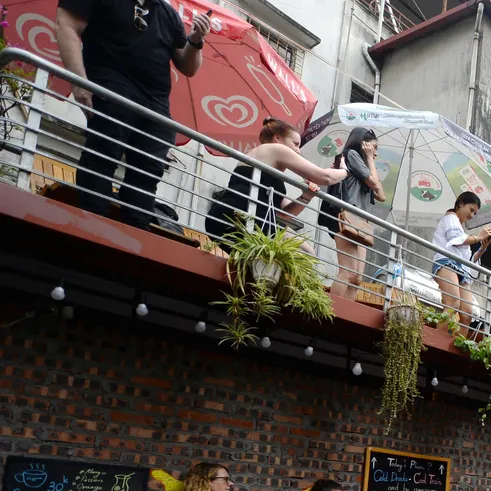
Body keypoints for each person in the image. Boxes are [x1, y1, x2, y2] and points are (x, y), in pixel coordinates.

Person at [54, 1, 209, 229]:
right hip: (111, 88)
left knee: (146, 176)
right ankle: (91, 228)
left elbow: (188, 67)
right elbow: (66, 24)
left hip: (155, 107)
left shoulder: (168, 15)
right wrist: (79, 83)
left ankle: (135, 236)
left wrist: (195, 41)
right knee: (102, 158)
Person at [205, 119, 347, 252]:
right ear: (277, 139)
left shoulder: (262, 160)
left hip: (230, 217)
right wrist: (345, 171)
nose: (298, 150)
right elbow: (325, 177)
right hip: (244, 217)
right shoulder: (275, 149)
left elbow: (284, 213)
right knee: (305, 251)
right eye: (295, 144)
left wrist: (306, 197)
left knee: (300, 252)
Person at [321, 127, 386, 301]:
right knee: (347, 272)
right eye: (374, 147)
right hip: (346, 217)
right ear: (363, 144)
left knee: (356, 278)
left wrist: (371, 162)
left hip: (360, 223)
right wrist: (371, 160)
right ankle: (332, 312)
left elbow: (381, 195)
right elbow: (373, 183)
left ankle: (345, 311)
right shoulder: (351, 155)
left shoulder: (364, 166)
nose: (375, 152)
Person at [432, 192, 491, 328]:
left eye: (475, 213)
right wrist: (478, 237)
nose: (472, 215)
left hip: (461, 269)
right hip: (446, 262)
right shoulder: (450, 218)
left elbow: (468, 260)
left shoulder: (460, 227)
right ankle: (438, 339)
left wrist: (482, 248)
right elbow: (455, 240)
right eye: (471, 210)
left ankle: (455, 346)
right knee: (452, 303)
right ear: (460, 204)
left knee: (467, 315)